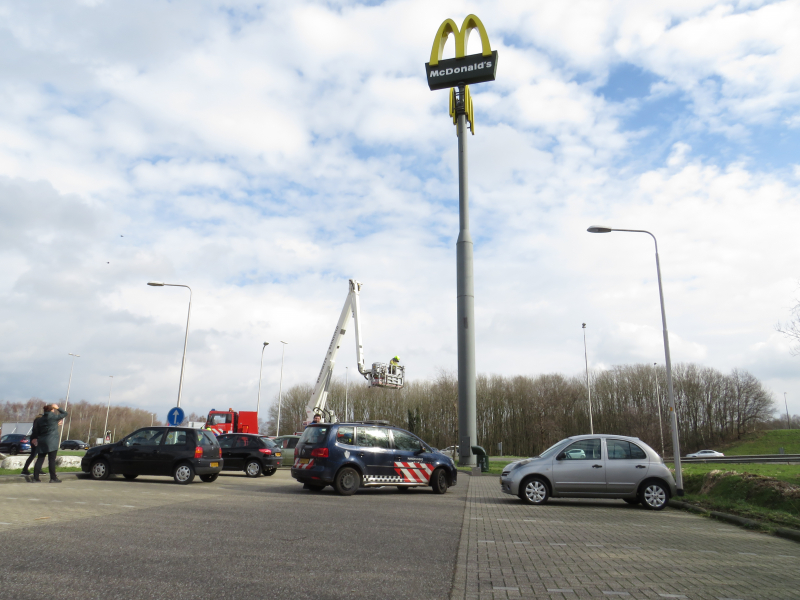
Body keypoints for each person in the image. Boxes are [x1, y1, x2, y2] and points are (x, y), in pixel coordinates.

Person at [32, 403, 68, 483]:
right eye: (54, 409)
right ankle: (53, 478)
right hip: (52, 441)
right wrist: (58, 408)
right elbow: (65, 413)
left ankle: (35, 478)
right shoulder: (54, 417)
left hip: (42, 441)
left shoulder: (40, 419)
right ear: (52, 409)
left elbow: (39, 430)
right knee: (51, 460)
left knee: (40, 459)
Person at [20, 412, 44, 476]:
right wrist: (36, 438)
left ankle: (38, 469)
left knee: (39, 455)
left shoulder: (37, 420)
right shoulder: (38, 421)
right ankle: (25, 469)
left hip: (36, 438)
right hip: (36, 439)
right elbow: (36, 430)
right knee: (34, 454)